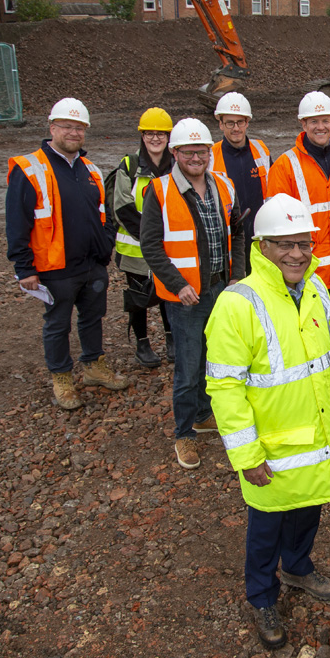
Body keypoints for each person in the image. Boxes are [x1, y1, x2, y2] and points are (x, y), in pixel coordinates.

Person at [205, 193, 330, 650]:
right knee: (267, 524)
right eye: (285, 244)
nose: (297, 253)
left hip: (314, 435)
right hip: (271, 447)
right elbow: (225, 388)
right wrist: (246, 454)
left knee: (309, 506)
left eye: (304, 243)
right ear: (262, 247)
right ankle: (262, 595)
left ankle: (297, 567)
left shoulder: (315, 291)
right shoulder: (238, 304)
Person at [6, 97, 129, 410]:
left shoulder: (90, 169)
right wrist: (24, 268)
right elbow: (16, 223)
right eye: (67, 127)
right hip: (53, 267)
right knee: (57, 324)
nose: (74, 133)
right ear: (52, 128)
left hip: (91, 264)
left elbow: (104, 214)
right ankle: (61, 377)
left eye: (80, 128)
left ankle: (93, 367)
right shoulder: (30, 169)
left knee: (92, 318)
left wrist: (105, 245)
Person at [141, 117, 236, 470]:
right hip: (185, 297)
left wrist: (236, 277)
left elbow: (237, 232)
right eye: (188, 152)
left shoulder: (223, 186)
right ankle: (184, 433)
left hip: (219, 289)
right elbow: (150, 244)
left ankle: (201, 414)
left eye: (201, 151)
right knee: (188, 365)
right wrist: (178, 284)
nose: (196, 157)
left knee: (215, 358)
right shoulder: (160, 190)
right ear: (175, 152)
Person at [267, 91, 330, 316]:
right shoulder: (286, 165)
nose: (320, 127)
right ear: (303, 124)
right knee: (301, 323)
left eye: (325, 120)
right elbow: (276, 219)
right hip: (302, 266)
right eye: (314, 121)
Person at [112, 107, 175, 368]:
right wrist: (149, 235)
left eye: (161, 134)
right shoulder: (129, 165)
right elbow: (121, 207)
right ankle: (142, 343)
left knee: (167, 292)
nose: (155, 138)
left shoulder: (175, 165)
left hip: (168, 247)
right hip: (135, 249)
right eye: (150, 133)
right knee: (138, 298)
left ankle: (172, 339)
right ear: (142, 135)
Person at [210, 92, 271, 278]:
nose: (236, 128)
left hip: (260, 235)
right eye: (230, 123)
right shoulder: (211, 157)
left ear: (247, 123)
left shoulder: (261, 149)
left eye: (240, 122)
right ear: (221, 124)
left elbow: (273, 191)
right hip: (228, 239)